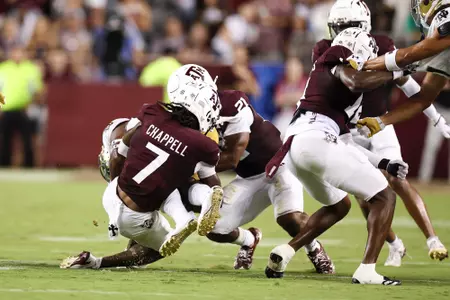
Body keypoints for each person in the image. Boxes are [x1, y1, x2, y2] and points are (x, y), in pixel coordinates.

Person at [264, 28, 407, 285]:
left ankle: (286, 251)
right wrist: (394, 72)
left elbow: (347, 142)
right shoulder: (336, 57)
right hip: (315, 141)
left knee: (340, 205)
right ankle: (367, 270)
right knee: (384, 197)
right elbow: (355, 80)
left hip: (299, 148)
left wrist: (384, 163)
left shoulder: (336, 96)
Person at [313, 0, 448, 266]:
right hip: (351, 130)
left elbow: (409, 81)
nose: (344, 32)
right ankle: (394, 244)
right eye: (340, 26)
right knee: (366, 193)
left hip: (378, 125)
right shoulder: (325, 50)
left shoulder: (382, 45)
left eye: (349, 26)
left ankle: (432, 238)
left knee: (396, 177)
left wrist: (435, 117)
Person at [61, 77, 223, 269]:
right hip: (142, 208)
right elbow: (213, 182)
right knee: (171, 199)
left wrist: (115, 184)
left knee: (164, 187)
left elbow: (118, 156)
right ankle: (188, 214)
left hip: (115, 197)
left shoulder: (151, 112)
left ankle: (97, 260)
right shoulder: (204, 145)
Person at [357, 0, 450, 142]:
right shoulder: (441, 43)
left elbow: (407, 56)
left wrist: (364, 65)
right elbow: (422, 100)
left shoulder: (446, 15)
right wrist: (380, 122)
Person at [0, 45, 43, 167]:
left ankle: (29, 166)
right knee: (5, 139)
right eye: (15, 52)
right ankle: (4, 165)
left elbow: (37, 90)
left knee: (27, 139)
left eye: (20, 52)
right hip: (6, 109)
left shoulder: (31, 69)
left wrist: (31, 104)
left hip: (24, 109)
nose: (17, 55)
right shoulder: (3, 69)